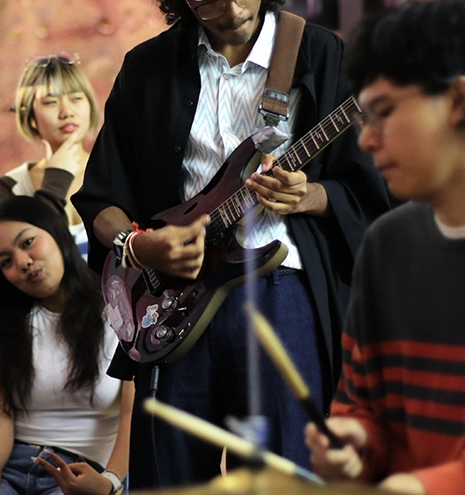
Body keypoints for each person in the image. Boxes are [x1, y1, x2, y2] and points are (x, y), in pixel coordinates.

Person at [71, 0, 391, 488]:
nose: (232, 8)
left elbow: (376, 188)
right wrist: (139, 247)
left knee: (281, 475)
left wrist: (311, 196)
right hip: (169, 305)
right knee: (169, 476)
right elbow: (101, 198)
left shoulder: (323, 54)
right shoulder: (147, 67)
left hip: (279, 294)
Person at [304, 2, 465, 494]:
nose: (367, 141)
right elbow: (364, 402)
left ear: (460, 99)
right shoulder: (388, 243)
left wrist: (434, 486)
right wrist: (356, 440)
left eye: (383, 111)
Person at [0, 196, 133, 495]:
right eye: (6, 261)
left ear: (56, 231)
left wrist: (111, 482)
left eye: (28, 242)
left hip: (84, 470)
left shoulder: (120, 309)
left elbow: (136, 413)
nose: (23, 263)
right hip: (11, 463)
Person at [0, 51, 101, 258]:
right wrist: (56, 179)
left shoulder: (115, 168)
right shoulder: (12, 185)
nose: (66, 111)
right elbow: (27, 260)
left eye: (76, 99)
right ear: (31, 117)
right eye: (51, 102)